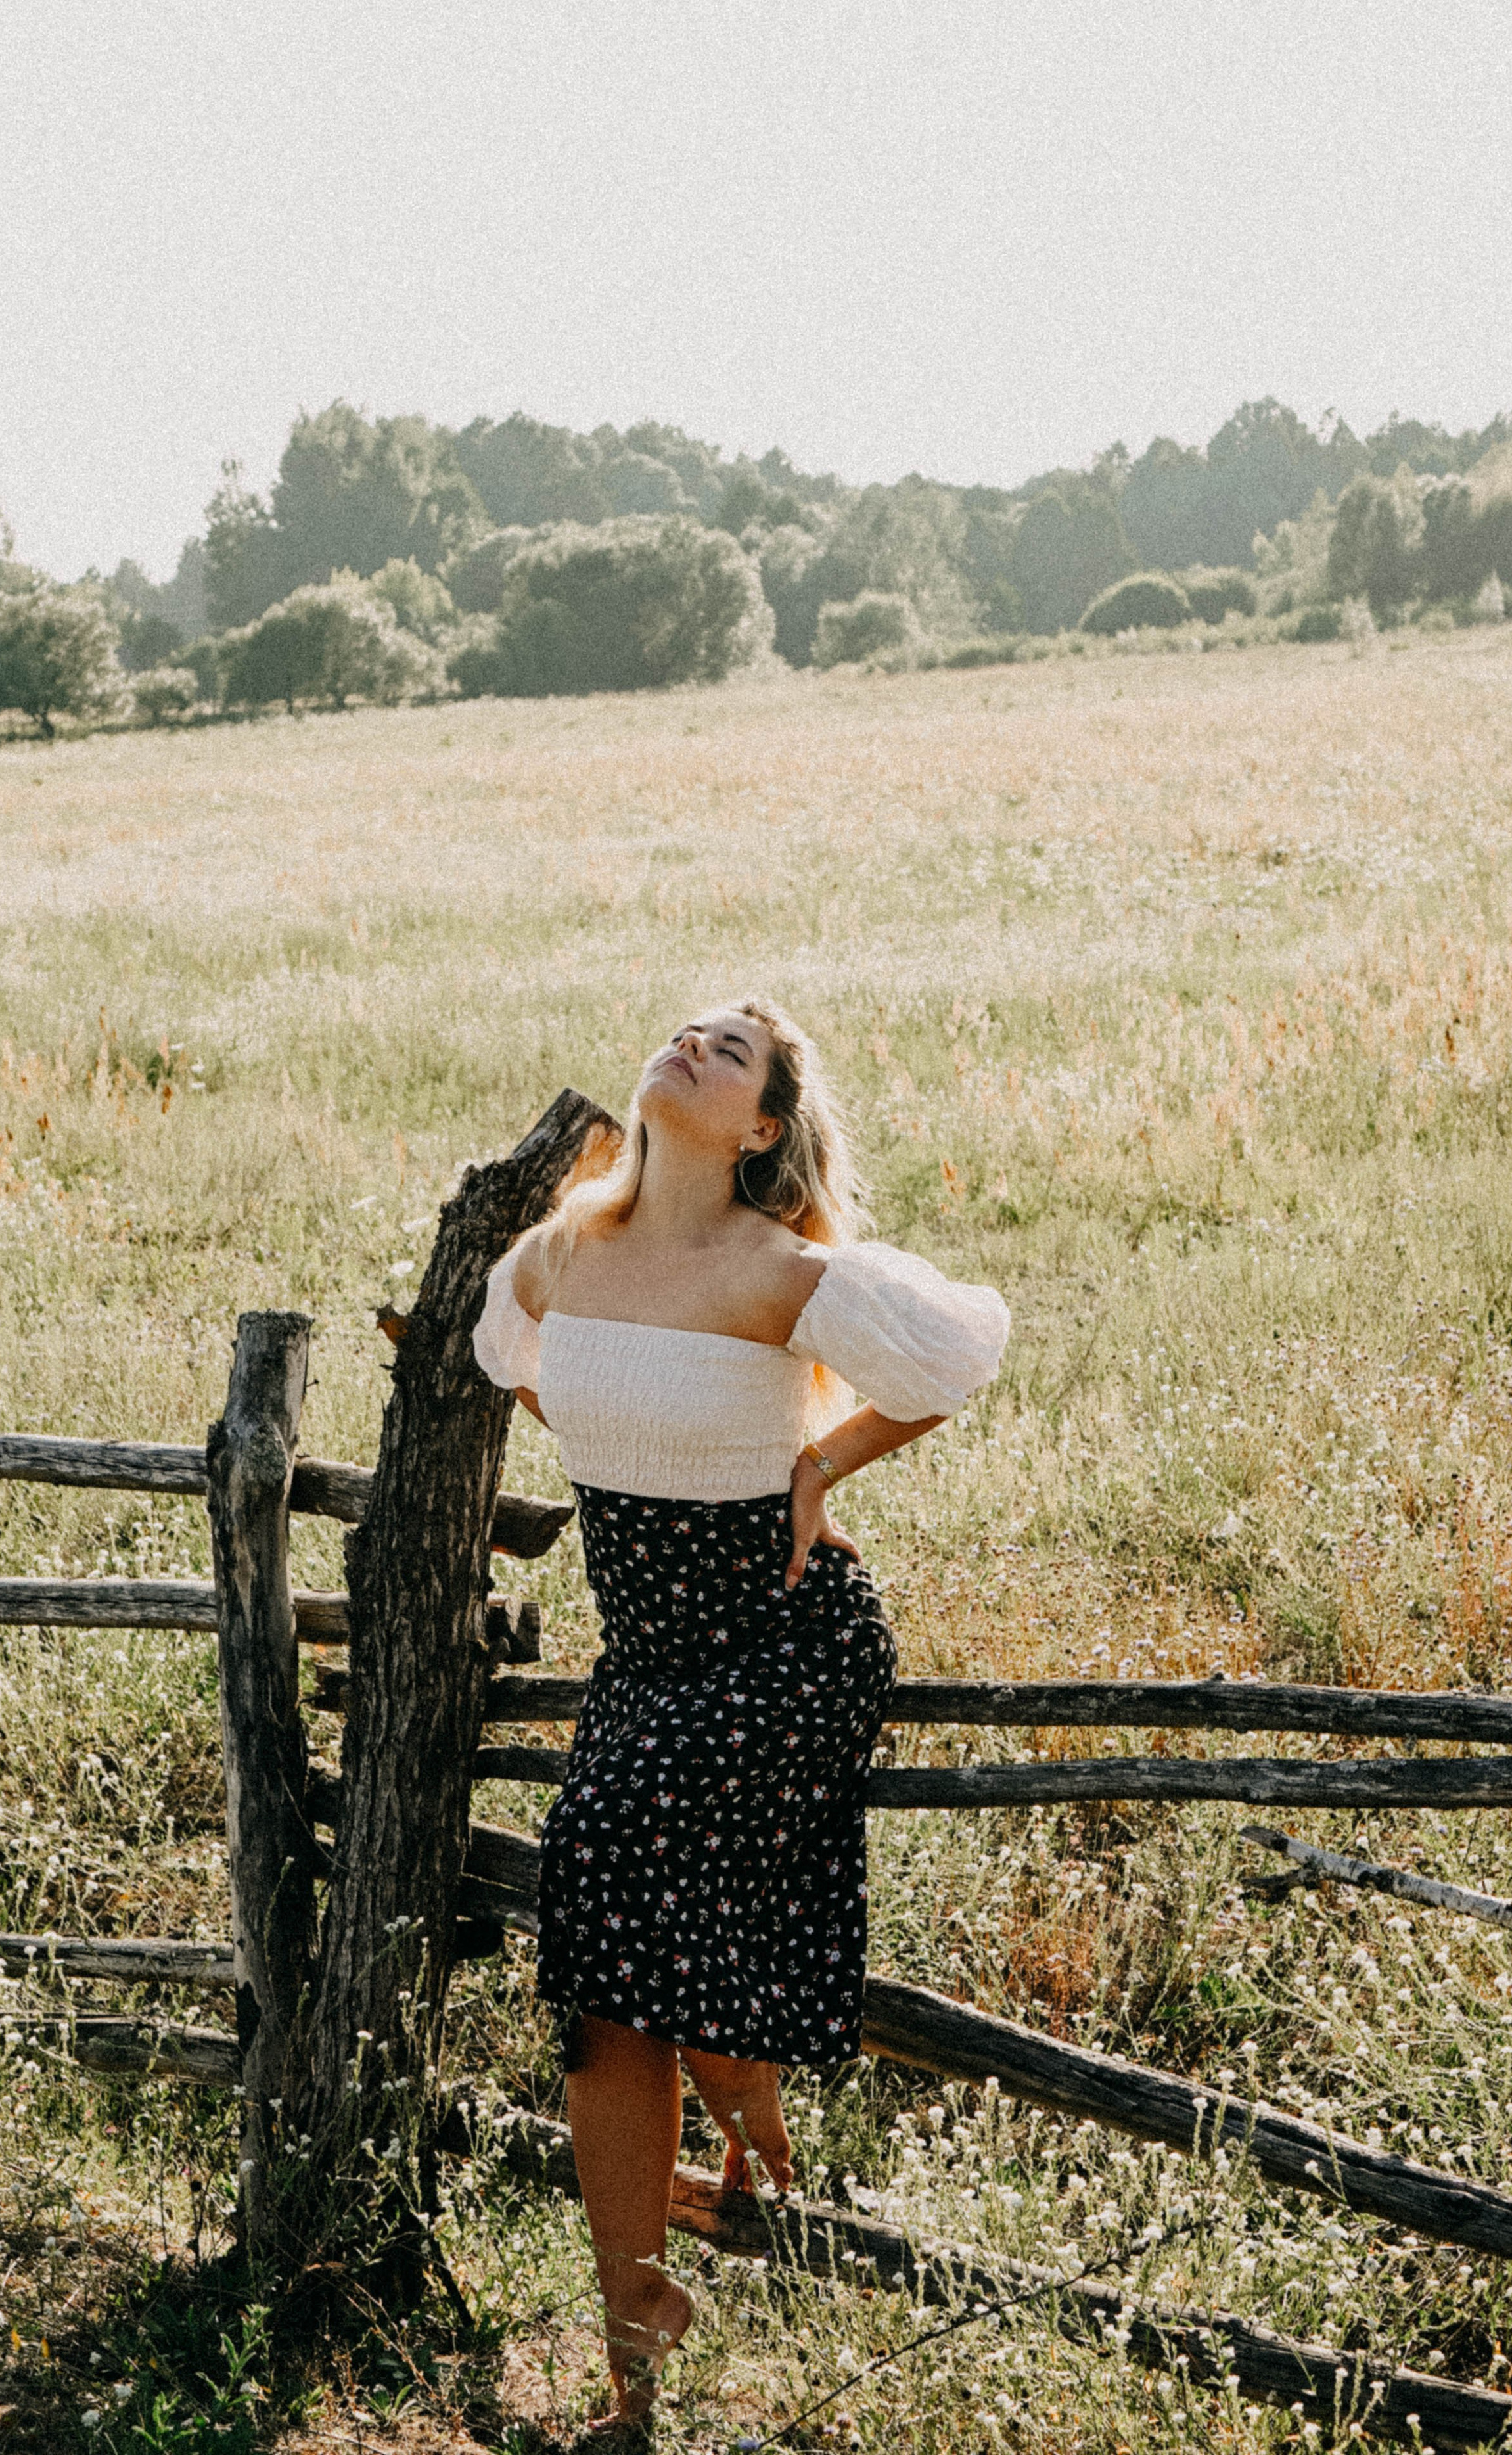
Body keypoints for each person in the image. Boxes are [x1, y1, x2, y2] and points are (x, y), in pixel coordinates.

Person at [472, 999, 1009, 2433]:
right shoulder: (557, 1250)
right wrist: (630, 1437)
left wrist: (819, 1464)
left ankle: (751, 2119)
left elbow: (947, 1365)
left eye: (733, 1052)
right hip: (648, 1648)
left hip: (783, 1638)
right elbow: (515, 1363)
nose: (692, 1045)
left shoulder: (779, 1266)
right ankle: (633, 2315)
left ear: (760, 1126)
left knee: (602, 1873)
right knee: (606, 1970)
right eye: (686, 1032)